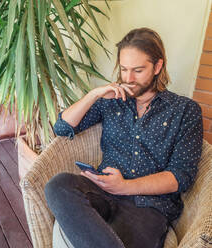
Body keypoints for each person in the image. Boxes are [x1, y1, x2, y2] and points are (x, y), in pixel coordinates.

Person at [44, 27, 203, 248]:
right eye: (124, 69)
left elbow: (181, 176)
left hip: (148, 206)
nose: (128, 78)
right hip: (101, 190)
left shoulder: (185, 110)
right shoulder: (111, 99)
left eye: (138, 70)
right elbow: (62, 127)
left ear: (158, 66)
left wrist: (124, 186)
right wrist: (95, 94)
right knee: (57, 185)